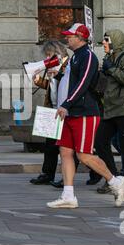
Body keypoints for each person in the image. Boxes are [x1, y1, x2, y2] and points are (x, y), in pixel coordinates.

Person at [46, 23, 124, 209]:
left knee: (84, 156)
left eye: (70, 36)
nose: (67, 38)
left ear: (80, 37)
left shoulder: (88, 56)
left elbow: (82, 84)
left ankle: (115, 181)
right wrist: (58, 76)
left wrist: (66, 104)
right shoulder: (75, 57)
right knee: (65, 152)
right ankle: (68, 195)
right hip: (70, 112)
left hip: (84, 113)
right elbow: (71, 80)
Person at [93, 30, 124, 195]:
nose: (103, 43)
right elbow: (103, 86)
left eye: (106, 40)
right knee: (99, 141)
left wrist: (112, 69)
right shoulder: (109, 59)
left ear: (116, 41)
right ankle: (113, 179)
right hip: (111, 109)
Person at [29, 40, 79, 187]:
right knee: (50, 145)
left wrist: (58, 75)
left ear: (57, 53)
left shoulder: (68, 65)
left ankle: (68, 177)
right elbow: (53, 87)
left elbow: (69, 85)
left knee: (68, 146)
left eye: (49, 55)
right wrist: (39, 81)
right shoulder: (54, 66)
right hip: (52, 108)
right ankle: (47, 173)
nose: (47, 58)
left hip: (65, 109)